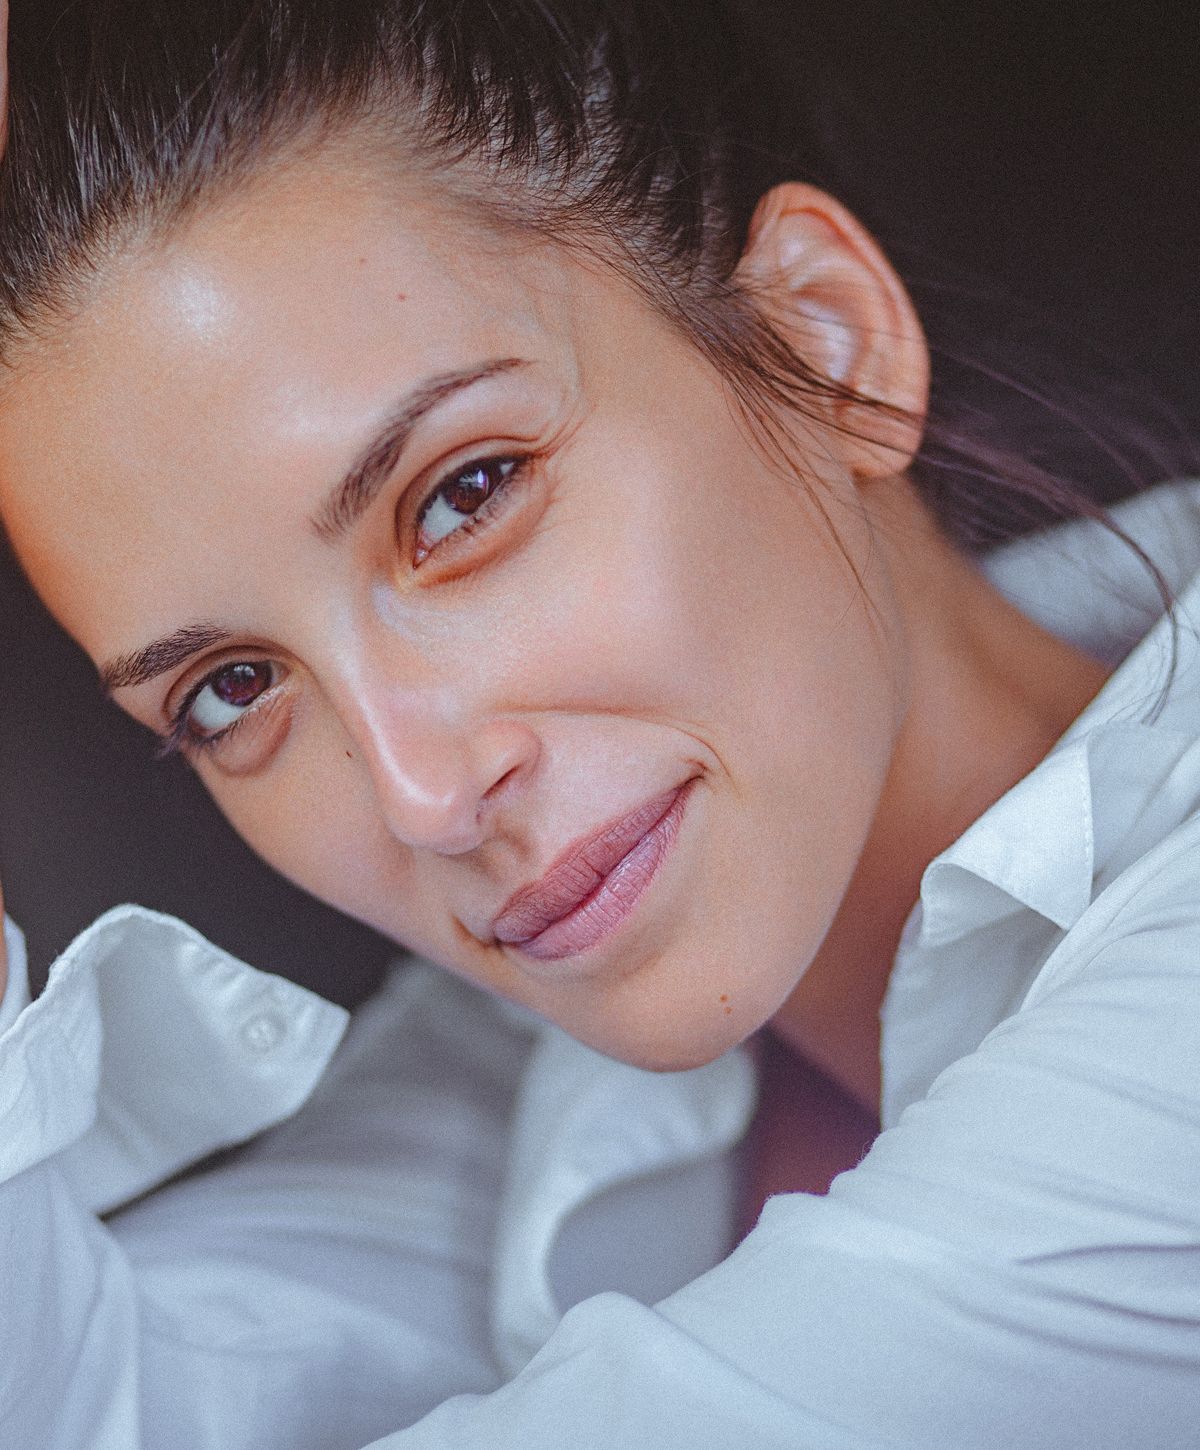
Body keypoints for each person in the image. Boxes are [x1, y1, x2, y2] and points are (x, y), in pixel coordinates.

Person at [0, 1, 1198, 1446]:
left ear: (829, 343)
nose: (422, 793)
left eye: (463, 496)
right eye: (231, 689)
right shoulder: (504, 1086)